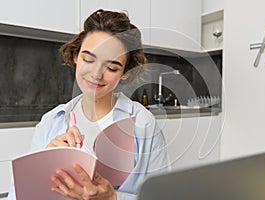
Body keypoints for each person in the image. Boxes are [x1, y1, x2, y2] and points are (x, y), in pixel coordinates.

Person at [8, 8, 171, 200]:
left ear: (125, 72)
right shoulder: (51, 122)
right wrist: (42, 169)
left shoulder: (143, 123)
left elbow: (164, 195)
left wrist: (113, 198)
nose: (96, 74)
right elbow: (16, 196)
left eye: (111, 67)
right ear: (76, 56)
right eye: (88, 59)